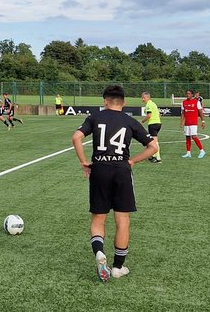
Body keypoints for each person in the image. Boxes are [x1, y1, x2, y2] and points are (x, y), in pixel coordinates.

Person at [71, 85, 160, 282]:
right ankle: (118, 267)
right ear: (124, 102)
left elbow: (76, 137)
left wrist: (84, 162)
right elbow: (153, 147)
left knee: (98, 219)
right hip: (121, 171)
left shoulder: (95, 118)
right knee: (122, 220)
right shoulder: (130, 121)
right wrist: (133, 160)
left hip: (99, 170)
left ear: (105, 101)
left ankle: (99, 253)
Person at [139, 92, 162, 163]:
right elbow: (159, 114)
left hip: (153, 124)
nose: (142, 99)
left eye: (144, 97)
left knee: (154, 142)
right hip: (158, 123)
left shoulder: (149, 104)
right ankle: (153, 156)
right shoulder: (153, 103)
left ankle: (158, 158)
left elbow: (149, 115)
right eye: (142, 97)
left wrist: (142, 122)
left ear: (148, 97)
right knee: (153, 141)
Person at [181, 90, 206, 158]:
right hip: (187, 123)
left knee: (194, 136)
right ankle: (188, 153)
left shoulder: (196, 102)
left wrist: (203, 121)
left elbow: (200, 112)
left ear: (192, 95)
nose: (187, 95)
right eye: (187, 94)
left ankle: (202, 151)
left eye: (189, 94)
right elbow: (183, 113)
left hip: (194, 122)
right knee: (187, 137)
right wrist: (182, 121)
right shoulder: (183, 102)